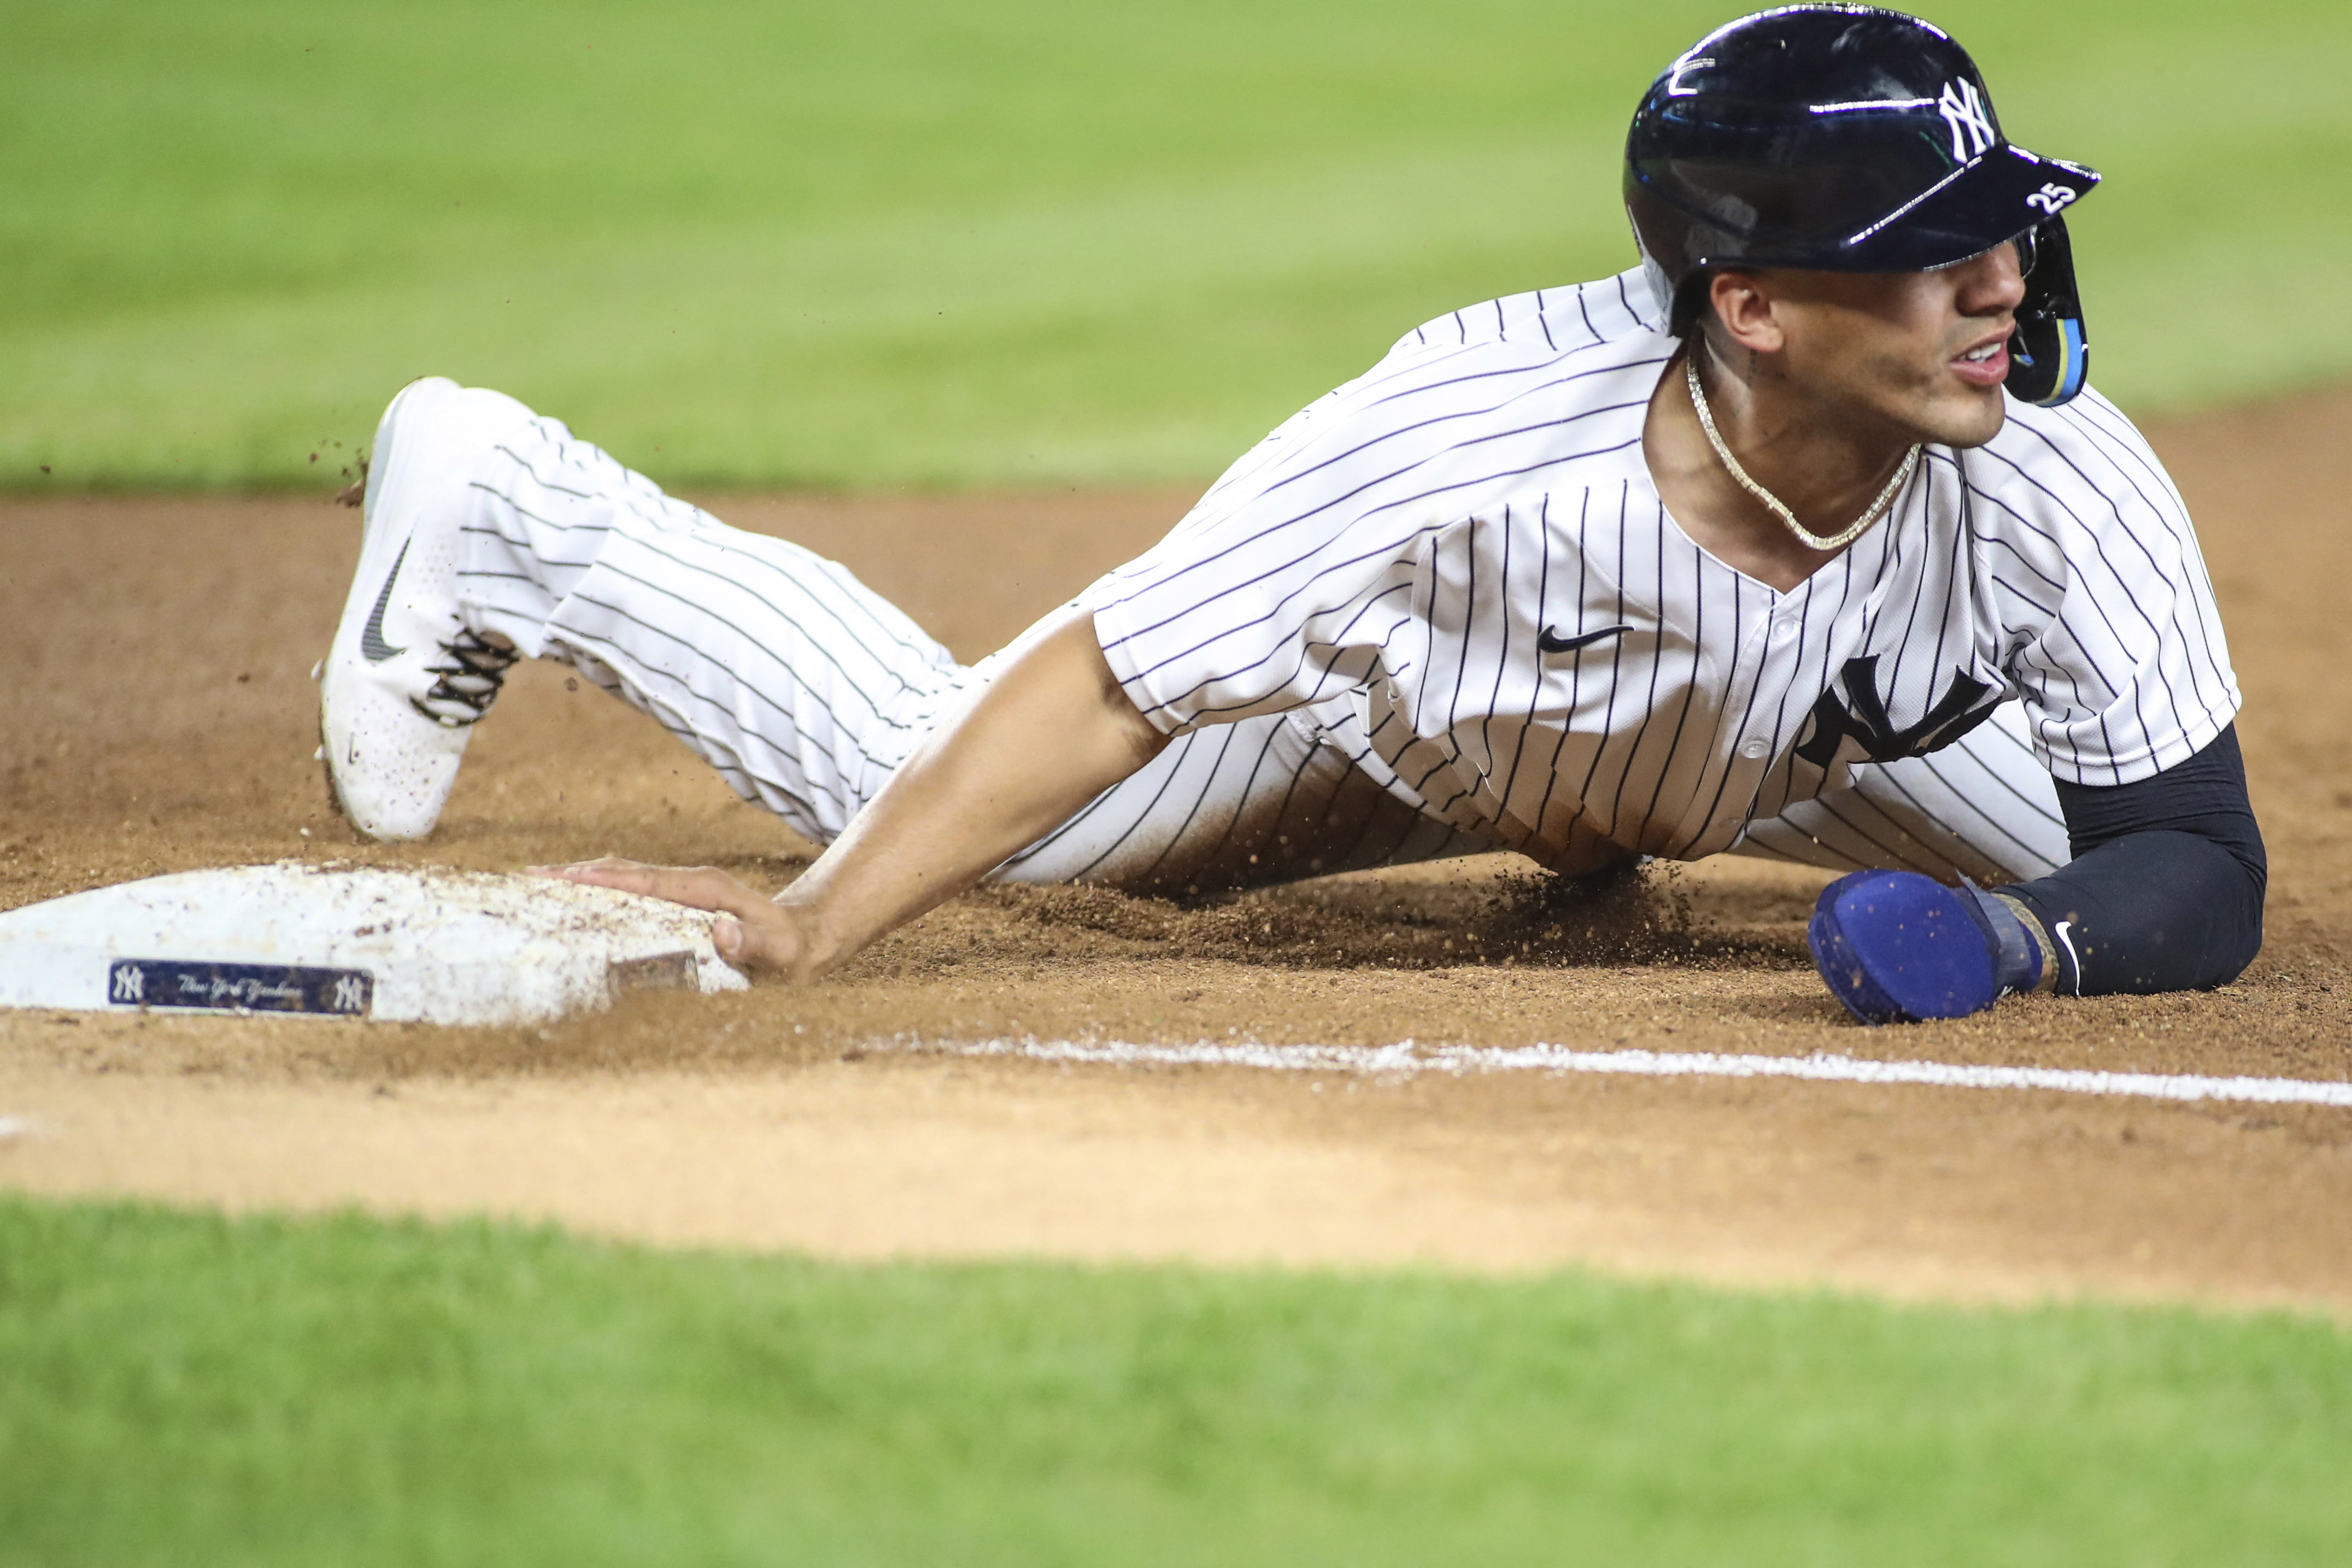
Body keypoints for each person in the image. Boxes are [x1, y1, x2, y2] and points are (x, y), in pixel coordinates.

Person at [318, 5, 2263, 1024]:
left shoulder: (2048, 466)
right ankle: (520, 509)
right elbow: (1116, 667)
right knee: (936, 797)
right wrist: (815, 933)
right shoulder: (1467, 433)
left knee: (2070, 869)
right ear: (1749, 305)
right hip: (1422, 716)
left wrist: (2009, 949)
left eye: (1998, 224)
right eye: (1931, 255)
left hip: (1811, 748)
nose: (2001, 280)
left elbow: (2188, 847)